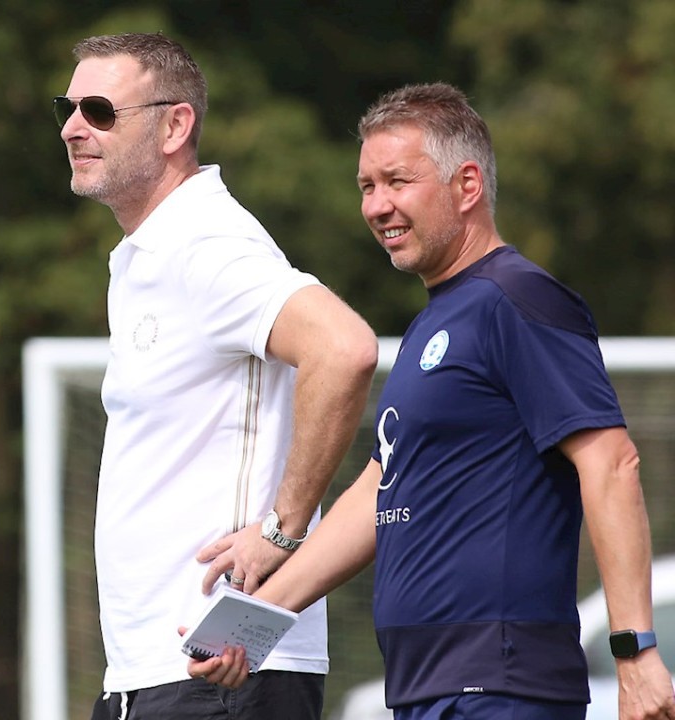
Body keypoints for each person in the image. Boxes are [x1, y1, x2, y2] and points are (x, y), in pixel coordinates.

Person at [190, 82, 675, 720]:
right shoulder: (434, 322)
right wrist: (253, 623)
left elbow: (611, 463)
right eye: (367, 186)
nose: (377, 205)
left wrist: (635, 653)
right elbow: (379, 491)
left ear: (466, 185)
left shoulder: (518, 299)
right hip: (425, 686)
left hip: (501, 685)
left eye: (397, 181)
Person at [55, 32, 378, 720]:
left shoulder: (205, 241)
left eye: (100, 111)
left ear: (175, 126)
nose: (73, 128)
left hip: (221, 672)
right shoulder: (152, 250)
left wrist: (284, 532)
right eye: (68, 108)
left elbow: (344, 348)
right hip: (159, 675)